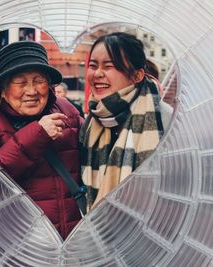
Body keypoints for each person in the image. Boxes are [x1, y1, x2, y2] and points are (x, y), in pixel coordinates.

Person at [0, 41, 84, 239]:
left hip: (74, 239)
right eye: (20, 83)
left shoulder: (67, 111)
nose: (31, 91)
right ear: (3, 90)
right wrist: (38, 134)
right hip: (20, 241)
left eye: (38, 80)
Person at [80, 32, 166, 209]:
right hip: (98, 230)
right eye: (93, 65)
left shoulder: (165, 119)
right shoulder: (92, 120)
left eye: (109, 66)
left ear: (137, 75)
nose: (97, 73)